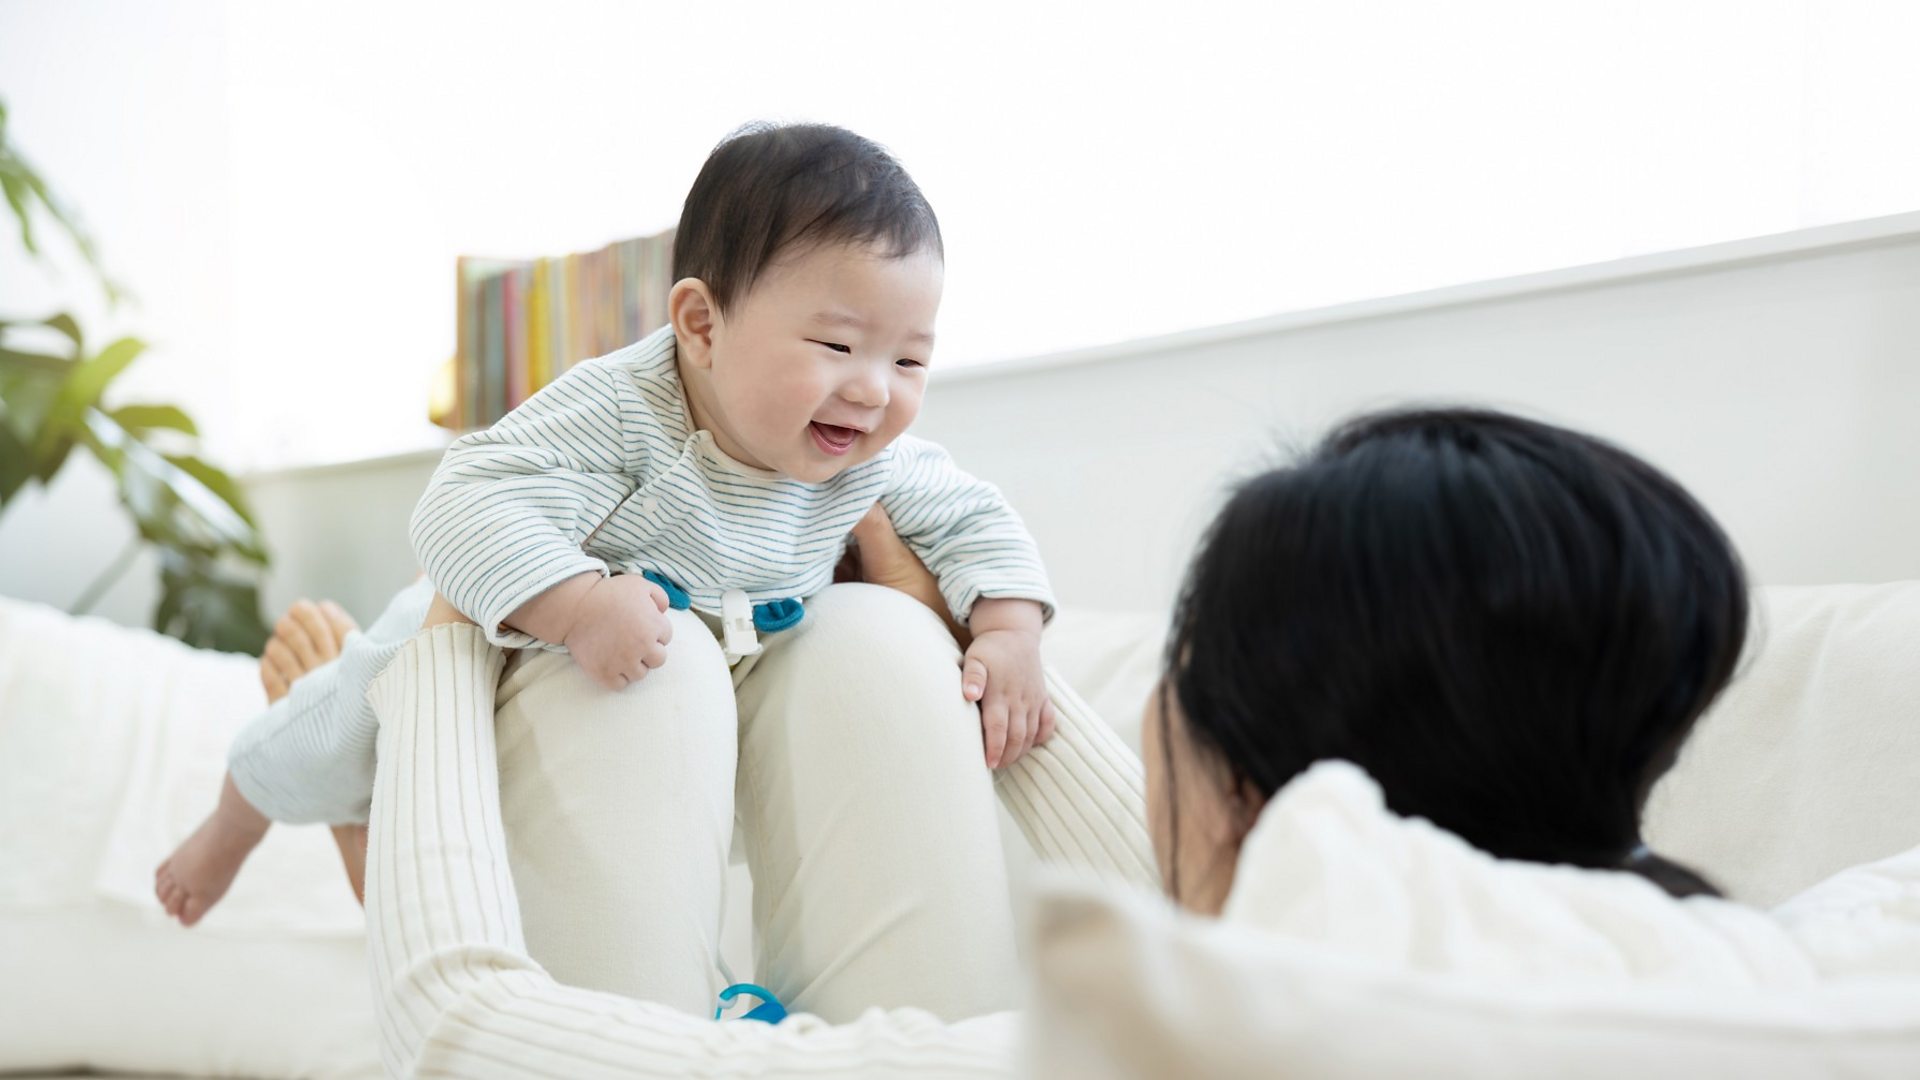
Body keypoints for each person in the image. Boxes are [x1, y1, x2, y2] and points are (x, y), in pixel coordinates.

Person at [357, 407, 1752, 1073]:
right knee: (872, 653)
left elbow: (466, 1018)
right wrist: (943, 627)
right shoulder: (1798, 960)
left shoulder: (1136, 1058)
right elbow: (1248, 864)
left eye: (1181, 683)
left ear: (1255, 792)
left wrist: (434, 653)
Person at [157, 122, 1061, 1009]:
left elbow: (972, 516)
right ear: (701, 324)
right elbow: (462, 501)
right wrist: (579, 603)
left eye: (910, 358)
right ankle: (231, 829)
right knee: (338, 721)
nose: (874, 389)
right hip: (517, 617)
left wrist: (1010, 629)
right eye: (837, 346)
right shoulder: (624, 409)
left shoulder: (869, 452)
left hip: (725, 666)